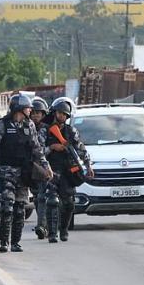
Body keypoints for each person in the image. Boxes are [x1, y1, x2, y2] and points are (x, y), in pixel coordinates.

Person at [0, 94, 51, 253]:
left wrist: (46, 167)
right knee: (7, 207)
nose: (30, 111)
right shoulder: (2, 125)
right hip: (6, 172)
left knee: (20, 208)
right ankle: (4, 241)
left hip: (24, 173)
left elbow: (37, 149)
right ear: (19, 108)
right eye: (28, 108)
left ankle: (15, 243)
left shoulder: (30, 125)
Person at [44, 98, 92, 243]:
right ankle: (52, 233)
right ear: (54, 113)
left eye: (65, 114)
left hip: (68, 171)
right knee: (52, 201)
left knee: (69, 203)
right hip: (51, 170)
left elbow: (81, 149)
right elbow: (37, 150)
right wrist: (51, 148)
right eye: (59, 113)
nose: (62, 116)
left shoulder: (71, 131)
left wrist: (88, 165)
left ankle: (63, 230)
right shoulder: (45, 131)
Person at [29, 96, 50, 239]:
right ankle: (43, 224)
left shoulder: (47, 129)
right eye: (33, 112)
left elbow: (48, 148)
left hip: (44, 166)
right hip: (30, 166)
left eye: (39, 113)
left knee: (43, 196)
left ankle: (42, 226)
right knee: (36, 197)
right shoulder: (25, 127)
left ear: (43, 114)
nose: (36, 115)